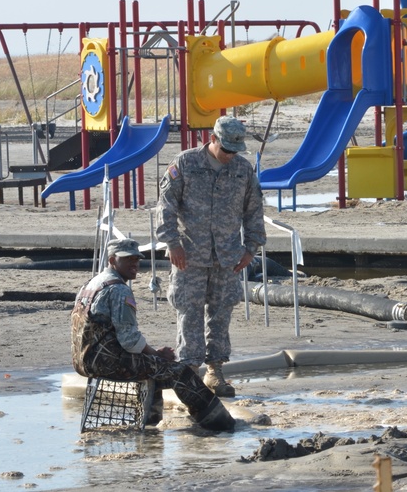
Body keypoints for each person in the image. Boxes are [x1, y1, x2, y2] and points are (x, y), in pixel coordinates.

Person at [70, 237, 234, 431]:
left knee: (154, 369)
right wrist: (156, 354)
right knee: (180, 372)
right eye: (128, 259)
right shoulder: (119, 290)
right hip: (106, 363)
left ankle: (150, 427)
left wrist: (153, 357)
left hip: (82, 362)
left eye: (137, 259)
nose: (135, 264)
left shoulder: (91, 284)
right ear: (112, 260)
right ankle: (220, 423)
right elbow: (130, 341)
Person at [156, 115, 266, 398]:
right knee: (189, 313)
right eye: (226, 149)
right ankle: (189, 373)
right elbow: (166, 206)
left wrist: (251, 249)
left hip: (227, 256)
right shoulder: (185, 164)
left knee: (221, 313)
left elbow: (254, 210)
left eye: (235, 150)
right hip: (189, 255)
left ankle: (215, 372)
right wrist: (172, 243)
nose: (230, 156)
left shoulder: (243, 170)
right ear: (213, 140)